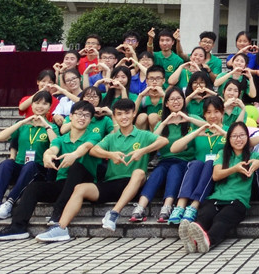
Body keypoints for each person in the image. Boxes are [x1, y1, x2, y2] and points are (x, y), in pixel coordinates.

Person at [36, 99, 169, 241]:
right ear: (114, 117)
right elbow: (94, 150)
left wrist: (142, 151)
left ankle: (114, 213)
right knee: (80, 188)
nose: (124, 117)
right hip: (112, 183)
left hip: (134, 185)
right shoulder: (111, 137)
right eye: (119, 114)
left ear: (134, 113)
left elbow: (164, 141)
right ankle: (61, 228)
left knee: (139, 173)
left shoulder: (143, 135)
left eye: (127, 113)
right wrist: (110, 155)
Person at [0, 101, 102, 240]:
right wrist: (47, 156)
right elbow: (52, 149)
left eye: (86, 115)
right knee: (33, 188)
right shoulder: (61, 140)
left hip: (85, 182)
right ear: (71, 117)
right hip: (63, 183)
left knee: (76, 167)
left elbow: (85, 147)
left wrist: (74, 155)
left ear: (90, 120)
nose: (82, 118)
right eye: (79, 114)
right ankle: (17, 227)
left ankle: (58, 213)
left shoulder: (94, 136)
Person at [178, 122, 259, 253]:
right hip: (216, 197)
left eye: (242, 135)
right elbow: (216, 175)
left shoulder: (253, 156)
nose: (238, 139)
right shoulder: (222, 154)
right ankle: (193, 239)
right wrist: (234, 169)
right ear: (229, 139)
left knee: (222, 219)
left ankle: (207, 241)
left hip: (238, 201)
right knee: (205, 216)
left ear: (247, 138)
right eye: (234, 136)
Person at [0, 91, 58, 220]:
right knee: (6, 164)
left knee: (30, 165)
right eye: (37, 103)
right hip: (21, 167)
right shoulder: (23, 126)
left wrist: (45, 125)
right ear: (31, 105)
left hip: (38, 170)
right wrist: (22, 122)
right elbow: (0, 137)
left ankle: (9, 203)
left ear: (50, 107)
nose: (40, 106)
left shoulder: (52, 127)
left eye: (45, 104)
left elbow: (56, 143)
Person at [131, 87, 204, 223]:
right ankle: (140, 207)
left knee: (174, 170)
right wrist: (165, 122)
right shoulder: (162, 123)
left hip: (185, 160)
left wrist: (188, 118)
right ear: (166, 103)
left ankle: (167, 207)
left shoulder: (191, 118)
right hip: (165, 160)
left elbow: (209, 126)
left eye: (179, 98)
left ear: (184, 101)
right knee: (157, 172)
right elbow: (151, 140)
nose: (176, 102)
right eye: (172, 99)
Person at [166, 96, 229, 224]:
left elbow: (244, 145)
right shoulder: (200, 132)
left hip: (219, 174)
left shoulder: (229, 130)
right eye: (208, 112)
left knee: (210, 163)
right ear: (204, 115)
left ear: (222, 112)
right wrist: (195, 133)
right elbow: (174, 149)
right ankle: (180, 207)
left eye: (216, 111)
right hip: (198, 174)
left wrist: (223, 133)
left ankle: (194, 206)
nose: (212, 116)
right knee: (195, 163)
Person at [135, 65, 167, 130]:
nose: (154, 82)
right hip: (145, 130)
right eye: (151, 79)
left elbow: (170, 114)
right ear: (146, 81)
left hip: (163, 130)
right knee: (142, 117)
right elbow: (132, 114)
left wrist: (164, 96)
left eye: (158, 79)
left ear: (163, 80)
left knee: (153, 117)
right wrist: (140, 96)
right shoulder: (142, 97)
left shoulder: (169, 95)